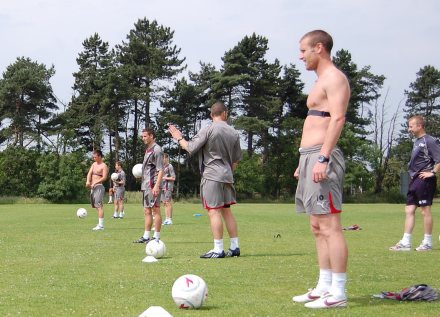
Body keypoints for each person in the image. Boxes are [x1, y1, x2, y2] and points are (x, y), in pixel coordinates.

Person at [291, 30, 351, 309]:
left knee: (330, 226)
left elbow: (337, 118)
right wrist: (303, 161)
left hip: (322, 156)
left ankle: (338, 292)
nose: (301, 56)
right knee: (317, 226)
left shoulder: (335, 78)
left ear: (319, 47)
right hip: (309, 156)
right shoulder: (319, 82)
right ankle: (323, 286)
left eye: (304, 50)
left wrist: (323, 158)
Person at [168, 101, 242, 259]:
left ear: (211, 115)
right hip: (227, 176)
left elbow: (190, 148)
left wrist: (178, 137)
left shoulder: (208, 129)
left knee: (213, 211)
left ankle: (218, 249)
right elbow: (236, 161)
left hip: (212, 175)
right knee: (227, 211)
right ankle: (235, 247)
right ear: (225, 114)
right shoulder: (234, 132)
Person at [390, 115, 440, 252]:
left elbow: (439, 159)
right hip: (415, 179)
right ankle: (406, 242)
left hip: (424, 179)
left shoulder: (429, 140)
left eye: (411, 126)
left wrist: (433, 172)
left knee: (425, 211)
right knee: (409, 209)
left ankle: (428, 242)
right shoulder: (417, 141)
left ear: (420, 126)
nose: (409, 129)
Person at [133, 128, 164, 243]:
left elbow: (161, 170)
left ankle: (156, 237)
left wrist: (156, 186)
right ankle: (146, 236)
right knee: (147, 210)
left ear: (151, 136)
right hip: (146, 185)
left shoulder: (157, 150)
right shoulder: (148, 150)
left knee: (155, 210)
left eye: (145, 136)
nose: (143, 138)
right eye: (142, 136)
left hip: (152, 185)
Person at [86, 149, 109, 231]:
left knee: (99, 205)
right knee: (95, 205)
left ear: (99, 156)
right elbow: (89, 173)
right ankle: (100, 223)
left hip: (99, 187)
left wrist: (95, 183)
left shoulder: (104, 166)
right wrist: (88, 181)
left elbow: (104, 177)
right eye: (93, 157)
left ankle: (101, 226)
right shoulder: (94, 164)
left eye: (95, 157)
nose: (94, 158)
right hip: (93, 187)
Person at [161, 153, 176, 225]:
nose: (162, 160)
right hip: (162, 187)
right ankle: (166, 219)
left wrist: (164, 178)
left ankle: (170, 219)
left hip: (168, 186)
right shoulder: (161, 167)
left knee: (168, 202)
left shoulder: (170, 166)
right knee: (164, 203)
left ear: (167, 158)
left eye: (163, 158)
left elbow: (173, 178)